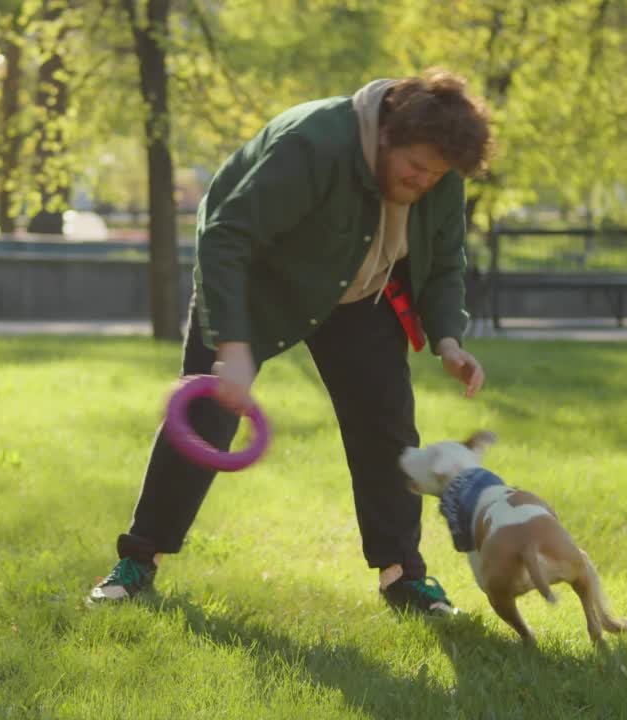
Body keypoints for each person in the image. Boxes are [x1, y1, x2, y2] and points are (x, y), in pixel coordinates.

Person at [89, 67, 495, 615]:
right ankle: (138, 560)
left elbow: (446, 261)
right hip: (259, 286)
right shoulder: (315, 143)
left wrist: (449, 339)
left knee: (387, 426)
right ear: (385, 135)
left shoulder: (440, 173)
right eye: (416, 168)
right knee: (208, 412)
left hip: (361, 293)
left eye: (436, 174)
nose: (424, 182)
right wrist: (232, 347)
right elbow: (225, 235)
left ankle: (403, 575)